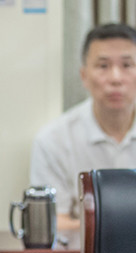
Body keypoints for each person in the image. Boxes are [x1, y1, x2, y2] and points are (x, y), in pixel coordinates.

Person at [30, 23, 136, 230]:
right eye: (103, 66)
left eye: (127, 65)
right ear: (84, 76)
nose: (115, 78)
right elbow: (53, 224)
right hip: (80, 251)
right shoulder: (53, 140)